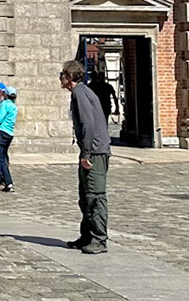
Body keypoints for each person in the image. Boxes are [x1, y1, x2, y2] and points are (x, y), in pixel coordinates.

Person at [61, 59, 110, 253]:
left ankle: (99, 239)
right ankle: (87, 236)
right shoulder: (80, 93)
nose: (61, 79)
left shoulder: (80, 93)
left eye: (62, 75)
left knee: (95, 196)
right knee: (85, 197)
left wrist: (86, 152)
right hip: (92, 150)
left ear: (70, 76)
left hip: (95, 152)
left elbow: (88, 123)